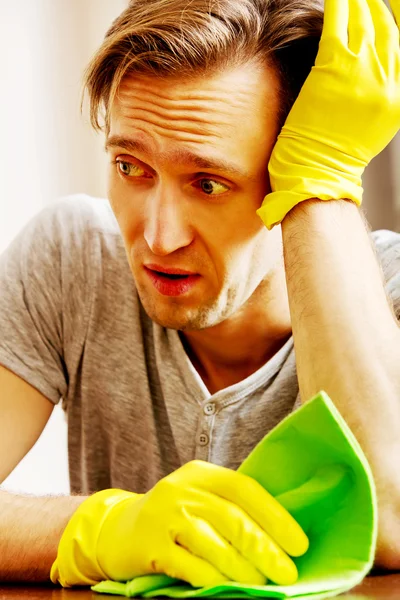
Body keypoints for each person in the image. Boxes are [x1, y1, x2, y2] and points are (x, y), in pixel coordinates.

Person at [1, 0, 400, 588]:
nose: (159, 236)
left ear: (289, 168)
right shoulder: (72, 258)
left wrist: (318, 188)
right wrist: (103, 529)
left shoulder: (386, 291)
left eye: (208, 182)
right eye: (131, 167)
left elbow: (392, 521)